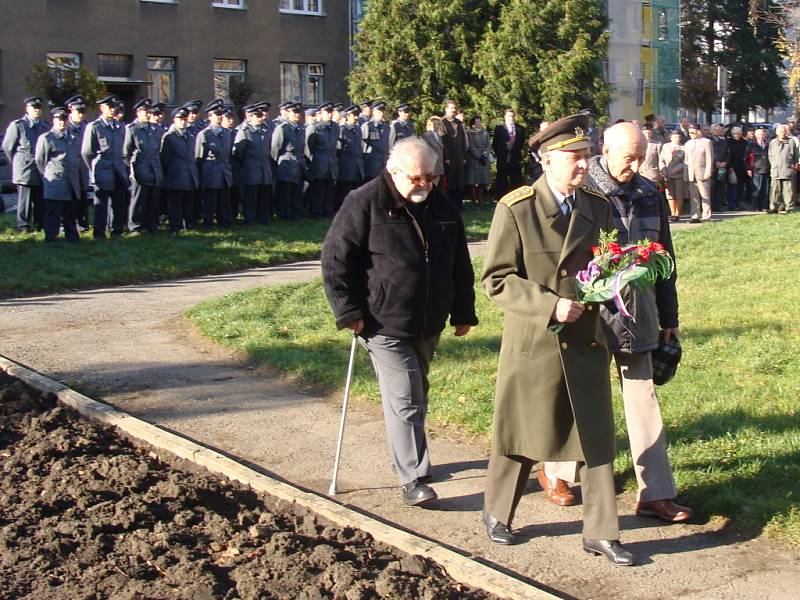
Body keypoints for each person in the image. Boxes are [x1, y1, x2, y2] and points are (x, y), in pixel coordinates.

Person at [480, 113, 636, 566]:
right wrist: (548, 305)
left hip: (586, 340)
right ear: (548, 161)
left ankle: (602, 532)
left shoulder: (598, 206)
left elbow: (607, 264)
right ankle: (496, 512)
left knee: (596, 437)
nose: (585, 166)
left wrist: (620, 279)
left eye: (587, 157)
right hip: (535, 342)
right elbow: (496, 280)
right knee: (520, 432)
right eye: (575, 158)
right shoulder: (516, 208)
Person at [542, 122, 692, 526]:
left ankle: (656, 494)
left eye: (641, 156)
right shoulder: (579, 186)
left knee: (644, 400)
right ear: (605, 151)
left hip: (640, 314)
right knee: (581, 398)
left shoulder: (648, 192)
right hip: (587, 316)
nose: (636, 164)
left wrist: (669, 317)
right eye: (629, 156)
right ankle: (557, 473)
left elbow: (665, 259)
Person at [321, 137, 478, 507]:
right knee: (406, 397)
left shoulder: (443, 206)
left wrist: (464, 311)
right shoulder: (364, 202)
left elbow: (460, 263)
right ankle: (415, 478)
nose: (424, 185)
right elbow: (335, 260)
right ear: (394, 172)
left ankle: (410, 454)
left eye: (431, 177)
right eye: (416, 178)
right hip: (381, 322)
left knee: (416, 393)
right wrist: (349, 312)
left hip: (428, 320)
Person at [82, 95, 128, 239]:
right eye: (109, 107)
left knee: (118, 204)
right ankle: (99, 233)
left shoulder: (120, 127)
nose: (113, 110)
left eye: (114, 107)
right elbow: (86, 152)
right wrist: (94, 168)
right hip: (102, 169)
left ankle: (116, 231)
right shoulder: (94, 127)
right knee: (101, 205)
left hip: (118, 170)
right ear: (102, 108)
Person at [34, 106, 81, 242]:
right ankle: (51, 238)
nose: (62, 122)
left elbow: (76, 158)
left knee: (71, 213)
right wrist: (48, 175)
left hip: (71, 181)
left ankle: (72, 237)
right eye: (59, 119)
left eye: (64, 119)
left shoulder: (73, 137)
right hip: (55, 182)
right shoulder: (46, 138)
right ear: (53, 120)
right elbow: (39, 160)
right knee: (53, 213)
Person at [3, 96, 49, 232]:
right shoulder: (18, 125)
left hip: (40, 170)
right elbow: (8, 147)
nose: (36, 110)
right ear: (27, 108)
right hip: (25, 169)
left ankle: (40, 224)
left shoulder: (45, 126)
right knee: (25, 201)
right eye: (34, 108)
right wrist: (18, 162)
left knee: (40, 199)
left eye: (39, 108)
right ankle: (23, 226)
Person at [123, 98, 163, 234]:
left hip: (154, 169)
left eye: (149, 112)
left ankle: (151, 224)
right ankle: (135, 226)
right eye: (145, 111)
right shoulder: (132, 129)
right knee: (138, 199)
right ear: (138, 112)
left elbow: (158, 150)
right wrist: (131, 169)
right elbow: (125, 152)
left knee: (153, 199)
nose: (147, 114)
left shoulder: (155, 129)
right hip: (139, 169)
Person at [195, 100, 234, 228]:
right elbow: (199, 157)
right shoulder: (205, 134)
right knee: (210, 198)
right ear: (210, 116)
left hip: (224, 169)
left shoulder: (227, 133)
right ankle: (208, 221)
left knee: (224, 198)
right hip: (210, 170)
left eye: (221, 114)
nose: (219, 117)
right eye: (216, 115)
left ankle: (224, 220)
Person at [160, 106, 199, 233]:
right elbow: (165, 158)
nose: (183, 121)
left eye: (185, 119)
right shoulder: (169, 137)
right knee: (175, 202)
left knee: (188, 201)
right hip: (175, 173)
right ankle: (175, 226)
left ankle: (189, 224)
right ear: (174, 120)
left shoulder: (191, 135)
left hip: (189, 173)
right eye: (180, 119)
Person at [235, 104, 274, 224]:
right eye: (257, 116)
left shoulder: (265, 131)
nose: (260, 118)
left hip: (264, 168)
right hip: (250, 168)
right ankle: (250, 218)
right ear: (250, 118)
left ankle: (263, 217)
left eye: (260, 116)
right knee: (251, 195)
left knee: (264, 194)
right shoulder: (244, 132)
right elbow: (238, 152)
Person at [271, 102, 306, 220]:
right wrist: (277, 163)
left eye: (298, 112)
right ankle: (284, 213)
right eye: (294, 113)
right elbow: (275, 148)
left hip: (298, 162)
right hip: (286, 162)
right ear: (288, 113)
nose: (297, 115)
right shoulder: (282, 128)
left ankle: (295, 212)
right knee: (285, 190)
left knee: (297, 190)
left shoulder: (301, 128)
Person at [305, 102, 339, 217]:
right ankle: (316, 211)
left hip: (331, 162)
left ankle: (327, 210)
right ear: (321, 113)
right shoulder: (315, 127)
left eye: (331, 112)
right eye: (327, 112)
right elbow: (309, 148)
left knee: (329, 188)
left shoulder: (335, 127)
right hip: (319, 161)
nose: (329, 115)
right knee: (318, 188)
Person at [66, 95, 90, 230]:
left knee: (83, 196)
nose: (81, 115)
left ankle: (83, 223)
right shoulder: (64, 126)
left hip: (83, 168)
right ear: (70, 110)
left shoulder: (87, 127)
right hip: (70, 169)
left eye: (83, 112)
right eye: (78, 112)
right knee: (70, 197)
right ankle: (69, 223)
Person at [335, 104, 364, 211]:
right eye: (353, 115)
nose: (356, 117)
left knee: (355, 189)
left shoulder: (358, 129)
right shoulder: (342, 129)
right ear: (347, 116)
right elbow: (338, 150)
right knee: (344, 189)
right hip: (345, 165)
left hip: (357, 166)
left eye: (357, 115)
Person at [492, 108, 526, 201]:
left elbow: (521, 144)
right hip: (503, 158)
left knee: (516, 179)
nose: (511, 118)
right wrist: (501, 154)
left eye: (513, 116)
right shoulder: (499, 128)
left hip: (515, 159)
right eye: (509, 116)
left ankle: (518, 198)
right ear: (505, 117)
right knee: (501, 179)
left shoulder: (520, 129)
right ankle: (500, 198)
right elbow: (495, 144)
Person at [684, 124, 714, 223]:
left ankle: (706, 215)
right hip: (691, 173)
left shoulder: (706, 142)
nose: (690, 134)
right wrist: (685, 173)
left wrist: (708, 171)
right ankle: (695, 215)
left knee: (705, 194)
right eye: (689, 132)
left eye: (692, 132)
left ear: (698, 131)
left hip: (702, 172)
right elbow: (686, 160)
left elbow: (709, 159)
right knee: (693, 196)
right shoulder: (687, 143)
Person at [441, 99, 468, 208]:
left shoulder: (459, 123)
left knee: (459, 180)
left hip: (459, 156)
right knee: (450, 180)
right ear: (446, 109)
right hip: (449, 156)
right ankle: (450, 205)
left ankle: (459, 203)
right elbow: (442, 141)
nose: (454, 110)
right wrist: (446, 156)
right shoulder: (442, 122)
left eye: (455, 108)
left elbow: (463, 141)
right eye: (451, 108)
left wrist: (464, 156)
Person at [767, 123, 799, 213]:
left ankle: (789, 208)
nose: (782, 133)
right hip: (776, 170)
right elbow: (770, 155)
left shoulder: (791, 141)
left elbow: (796, 155)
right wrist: (773, 165)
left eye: (784, 131)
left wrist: (794, 164)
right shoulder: (772, 142)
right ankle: (774, 208)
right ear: (777, 133)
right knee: (774, 191)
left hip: (787, 169)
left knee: (789, 191)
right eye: (780, 132)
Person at [659, 131, 688, 222]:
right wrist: (662, 169)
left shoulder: (684, 148)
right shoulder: (666, 147)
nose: (677, 138)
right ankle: (672, 213)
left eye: (678, 137)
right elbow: (661, 159)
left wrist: (679, 169)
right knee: (670, 195)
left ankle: (677, 213)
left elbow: (686, 162)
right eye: (675, 137)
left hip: (679, 174)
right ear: (671, 138)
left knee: (679, 194)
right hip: (668, 174)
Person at [465, 115, 491, 206]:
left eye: (480, 121)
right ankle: (474, 201)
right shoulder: (469, 133)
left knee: (482, 181)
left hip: (484, 159)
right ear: (473, 124)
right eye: (477, 122)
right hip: (473, 160)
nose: (479, 123)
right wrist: (478, 156)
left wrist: (484, 155)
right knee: (472, 181)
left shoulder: (485, 132)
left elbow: (488, 145)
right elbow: (470, 146)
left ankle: (480, 201)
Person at [361, 101, 391, 181]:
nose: (381, 114)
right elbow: (363, 149)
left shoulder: (386, 127)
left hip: (383, 165)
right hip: (371, 167)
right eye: (379, 112)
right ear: (373, 112)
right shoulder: (367, 126)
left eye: (382, 111)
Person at [746, 126, 770, 211]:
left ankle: (762, 206)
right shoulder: (751, 145)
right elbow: (746, 158)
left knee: (764, 189)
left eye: (763, 134)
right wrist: (748, 168)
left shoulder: (767, 144)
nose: (762, 136)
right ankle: (755, 206)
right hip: (756, 169)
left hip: (765, 169)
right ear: (756, 135)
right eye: (760, 134)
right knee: (756, 189)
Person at [726, 127, 748, 210]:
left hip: (742, 167)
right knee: (733, 186)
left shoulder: (744, 142)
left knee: (740, 186)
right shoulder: (728, 142)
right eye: (735, 133)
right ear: (732, 134)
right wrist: (730, 166)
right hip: (732, 167)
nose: (737, 135)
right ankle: (732, 204)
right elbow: (728, 155)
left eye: (738, 133)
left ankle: (738, 203)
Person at [710, 124, 730, 211]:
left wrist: (725, 162)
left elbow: (728, 152)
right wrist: (715, 162)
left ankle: (718, 205)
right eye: (716, 130)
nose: (718, 131)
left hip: (722, 167)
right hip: (712, 167)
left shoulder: (723, 141)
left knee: (721, 187)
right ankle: (711, 205)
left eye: (719, 130)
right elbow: (710, 153)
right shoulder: (709, 140)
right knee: (712, 187)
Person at [422, 116, 445, 186]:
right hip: (431, 167)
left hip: (439, 166)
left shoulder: (438, 136)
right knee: (430, 187)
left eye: (437, 124)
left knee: (437, 187)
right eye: (434, 124)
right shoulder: (426, 135)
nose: (436, 126)